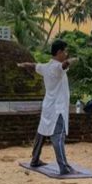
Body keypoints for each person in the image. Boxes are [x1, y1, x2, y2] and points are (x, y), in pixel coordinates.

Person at [17, 39, 77, 175]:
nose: (66, 54)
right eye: (65, 51)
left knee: (42, 133)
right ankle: (64, 167)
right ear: (60, 52)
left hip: (48, 107)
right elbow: (64, 65)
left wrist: (22, 65)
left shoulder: (45, 67)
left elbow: (33, 65)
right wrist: (72, 60)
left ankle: (35, 159)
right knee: (58, 137)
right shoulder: (57, 67)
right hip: (58, 109)